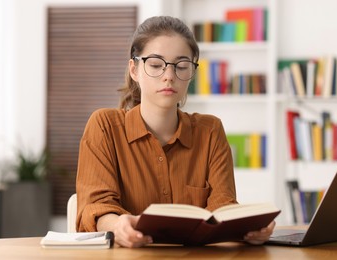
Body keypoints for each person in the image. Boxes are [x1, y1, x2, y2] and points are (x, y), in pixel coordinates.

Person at [76, 15, 275, 248]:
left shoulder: (210, 131)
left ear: (191, 73)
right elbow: (95, 208)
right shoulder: (104, 126)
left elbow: (223, 207)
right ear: (134, 69)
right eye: (156, 65)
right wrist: (118, 225)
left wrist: (248, 228)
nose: (169, 76)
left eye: (181, 66)